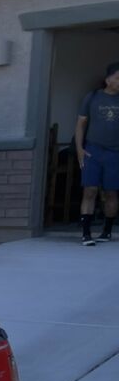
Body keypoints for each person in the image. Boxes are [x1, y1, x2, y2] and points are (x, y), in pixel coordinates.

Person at [76, 60, 119, 245]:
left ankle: (107, 231)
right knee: (90, 190)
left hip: (115, 153)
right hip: (93, 150)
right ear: (108, 79)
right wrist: (79, 149)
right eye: (118, 78)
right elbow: (80, 124)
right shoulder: (92, 97)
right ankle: (86, 234)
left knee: (111, 193)